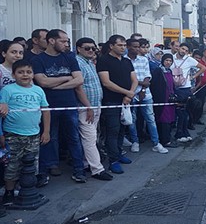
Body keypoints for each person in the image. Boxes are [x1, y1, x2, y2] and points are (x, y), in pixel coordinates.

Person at [31, 29, 86, 185]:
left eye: (67, 41)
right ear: (51, 41)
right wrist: (67, 77)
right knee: (49, 137)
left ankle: (79, 170)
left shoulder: (70, 58)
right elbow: (43, 82)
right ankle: (48, 168)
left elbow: (79, 80)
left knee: (74, 138)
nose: (66, 44)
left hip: (69, 104)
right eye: (63, 41)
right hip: (48, 106)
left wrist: (55, 86)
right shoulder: (38, 60)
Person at [0, 60, 50, 205]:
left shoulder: (38, 90)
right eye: (21, 72)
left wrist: (45, 131)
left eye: (28, 72)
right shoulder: (7, 90)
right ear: (13, 74)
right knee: (12, 165)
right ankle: (9, 193)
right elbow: (2, 108)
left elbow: (46, 111)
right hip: (13, 134)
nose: (25, 75)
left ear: (33, 74)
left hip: (33, 134)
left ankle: (28, 190)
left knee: (31, 164)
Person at [96, 35, 138, 174]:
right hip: (111, 101)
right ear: (111, 46)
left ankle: (119, 154)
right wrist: (126, 92)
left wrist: (129, 94)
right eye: (120, 45)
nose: (123, 48)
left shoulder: (126, 61)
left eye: (124, 45)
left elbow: (135, 79)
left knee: (122, 129)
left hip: (126, 101)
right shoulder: (104, 61)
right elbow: (106, 82)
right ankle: (112, 160)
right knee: (112, 131)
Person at [74, 37, 113, 181]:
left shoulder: (89, 62)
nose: (91, 50)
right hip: (86, 107)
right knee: (89, 138)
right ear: (78, 49)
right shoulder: (78, 63)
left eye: (93, 48)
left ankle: (86, 163)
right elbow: (78, 88)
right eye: (87, 48)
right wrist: (88, 107)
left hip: (95, 105)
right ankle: (97, 169)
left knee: (91, 137)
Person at [124, 38, 168, 154]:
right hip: (131, 93)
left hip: (146, 94)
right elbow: (127, 79)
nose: (137, 49)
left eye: (138, 46)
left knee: (150, 118)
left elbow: (147, 77)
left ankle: (156, 143)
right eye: (134, 46)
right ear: (128, 47)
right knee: (132, 120)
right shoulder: (124, 61)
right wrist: (139, 83)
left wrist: (143, 88)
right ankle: (135, 141)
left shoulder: (143, 60)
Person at [172, 42, 206, 142]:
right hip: (173, 88)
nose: (184, 51)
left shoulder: (189, 60)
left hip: (185, 88)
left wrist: (193, 77)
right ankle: (182, 132)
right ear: (178, 48)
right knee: (181, 112)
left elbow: (203, 68)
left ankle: (181, 133)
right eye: (182, 49)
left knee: (183, 111)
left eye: (186, 51)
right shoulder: (171, 58)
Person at [150, 53, 177, 148]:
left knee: (170, 120)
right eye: (166, 60)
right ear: (163, 61)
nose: (168, 62)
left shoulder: (169, 71)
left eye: (170, 61)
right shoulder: (158, 71)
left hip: (170, 99)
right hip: (162, 99)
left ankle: (167, 138)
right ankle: (165, 140)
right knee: (164, 119)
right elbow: (154, 86)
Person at [192, 46, 206, 125]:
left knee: (201, 102)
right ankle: (191, 119)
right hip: (195, 86)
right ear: (204, 53)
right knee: (193, 102)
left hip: (204, 86)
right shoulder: (198, 62)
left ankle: (197, 119)